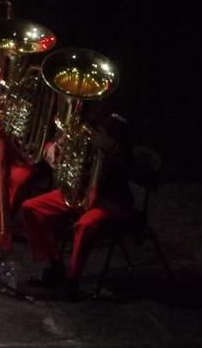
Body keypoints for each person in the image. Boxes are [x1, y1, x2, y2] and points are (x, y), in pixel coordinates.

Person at [20, 112, 131, 295]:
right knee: (31, 208)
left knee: (84, 225)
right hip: (80, 191)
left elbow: (131, 161)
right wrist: (56, 148)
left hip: (110, 198)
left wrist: (108, 145)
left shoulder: (120, 125)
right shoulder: (85, 121)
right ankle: (55, 266)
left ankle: (72, 282)